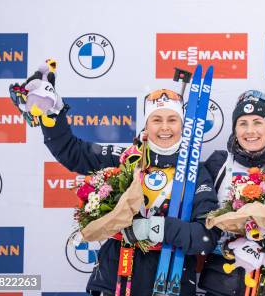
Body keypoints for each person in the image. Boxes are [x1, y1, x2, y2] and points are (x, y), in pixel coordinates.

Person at [32, 78, 219, 296]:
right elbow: (73, 152)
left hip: (171, 280)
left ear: (183, 125)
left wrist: (154, 228)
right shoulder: (125, 159)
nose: (165, 127)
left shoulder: (197, 173)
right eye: (156, 119)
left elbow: (206, 236)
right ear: (146, 125)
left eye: (172, 119)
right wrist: (51, 115)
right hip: (116, 278)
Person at [200, 90, 265, 296]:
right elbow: (200, 220)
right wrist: (223, 243)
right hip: (223, 281)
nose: (250, 131)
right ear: (234, 129)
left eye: (257, 122)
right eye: (243, 123)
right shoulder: (219, 164)